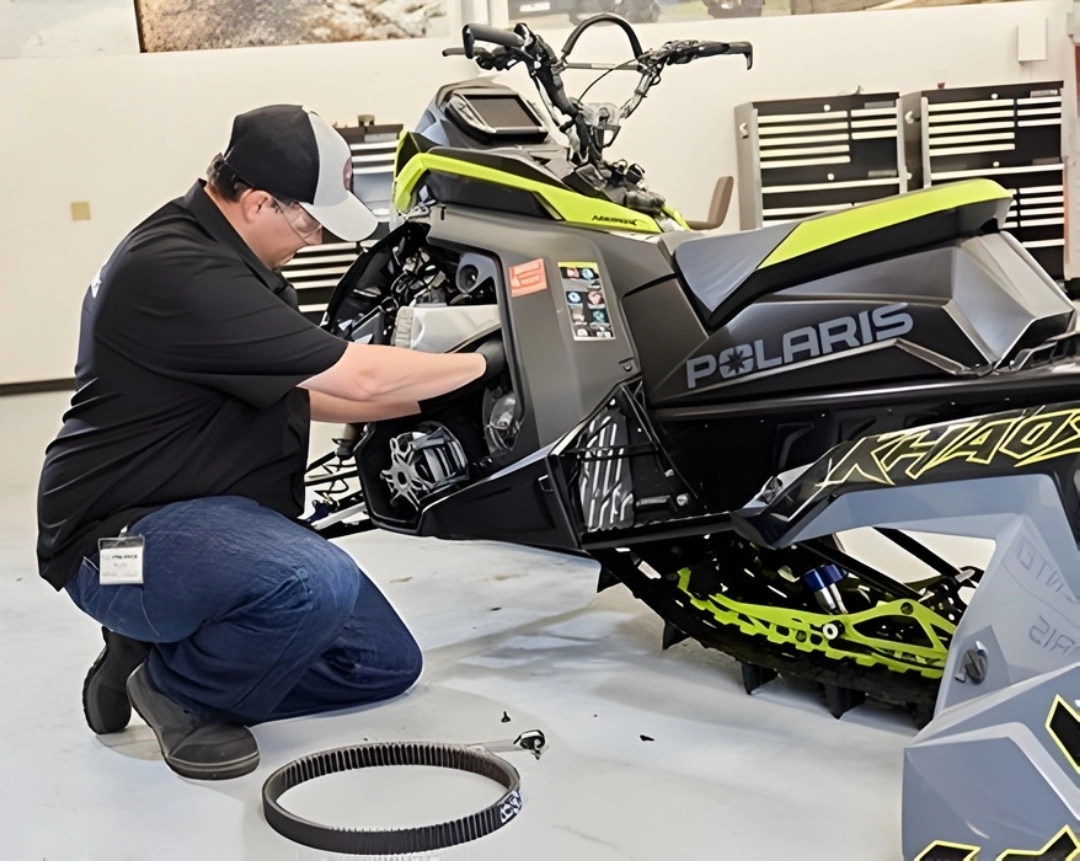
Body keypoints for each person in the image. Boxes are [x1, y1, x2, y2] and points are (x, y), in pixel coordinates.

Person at [35, 104, 503, 781]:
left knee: (383, 662)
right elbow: (360, 374)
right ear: (258, 202)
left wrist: (444, 395)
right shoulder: (181, 271)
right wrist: (491, 360)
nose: (314, 240)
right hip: (114, 547)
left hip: (203, 523)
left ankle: (158, 650)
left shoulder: (238, 262)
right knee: (310, 581)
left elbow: (311, 393)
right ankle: (179, 692)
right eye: (310, 223)